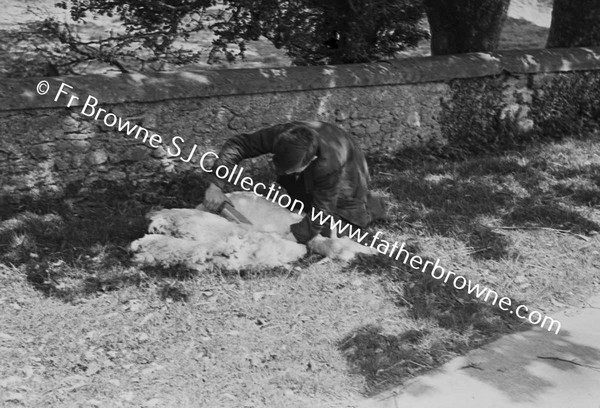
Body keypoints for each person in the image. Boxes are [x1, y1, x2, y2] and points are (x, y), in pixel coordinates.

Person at [203, 121, 384, 244]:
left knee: (333, 230)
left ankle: (371, 206)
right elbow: (239, 144)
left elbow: (321, 212)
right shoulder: (284, 135)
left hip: (348, 180)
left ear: (310, 161)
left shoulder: (329, 166)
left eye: (290, 170)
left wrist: (291, 239)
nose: (281, 172)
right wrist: (215, 185)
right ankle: (299, 191)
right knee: (289, 205)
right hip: (313, 165)